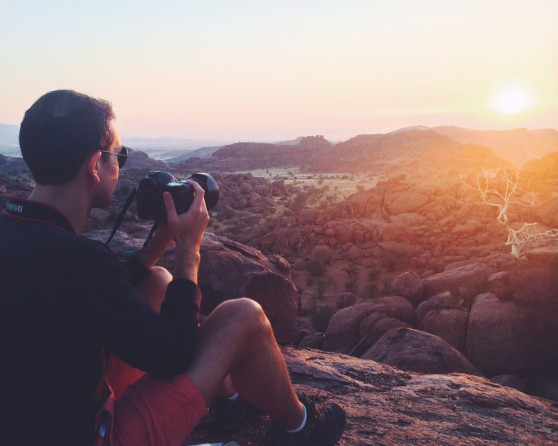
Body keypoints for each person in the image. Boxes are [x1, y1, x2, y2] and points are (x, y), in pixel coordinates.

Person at [0, 90, 346, 446]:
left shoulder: (17, 231)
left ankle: (231, 403)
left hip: (32, 414)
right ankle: (301, 429)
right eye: (118, 154)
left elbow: (91, 291)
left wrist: (158, 245)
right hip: (93, 436)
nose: (120, 163)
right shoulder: (80, 260)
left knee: (155, 281)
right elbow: (174, 355)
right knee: (244, 316)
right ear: (94, 167)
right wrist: (188, 251)